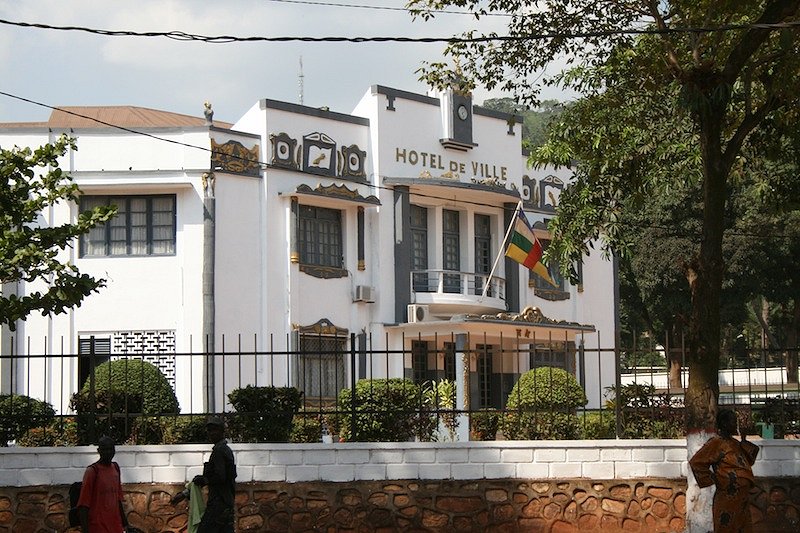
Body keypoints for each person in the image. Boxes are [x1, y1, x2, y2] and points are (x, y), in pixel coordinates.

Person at [689, 409, 759, 532]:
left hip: (742, 498)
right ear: (725, 423)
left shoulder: (735, 443)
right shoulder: (716, 443)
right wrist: (714, 478)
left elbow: (749, 460)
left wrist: (743, 440)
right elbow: (697, 462)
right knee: (726, 527)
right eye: (733, 421)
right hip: (727, 496)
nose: (735, 425)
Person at [172, 416, 237, 533]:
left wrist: (205, 480)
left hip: (218, 503)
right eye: (209, 430)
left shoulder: (219, 451)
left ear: (222, 431)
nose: (211, 433)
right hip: (226, 503)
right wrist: (186, 493)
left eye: (214, 430)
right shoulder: (224, 450)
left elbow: (220, 477)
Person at [76, 435, 131, 533]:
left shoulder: (116, 468)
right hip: (97, 527)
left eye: (111, 449)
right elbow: (83, 505)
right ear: (99, 450)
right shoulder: (92, 471)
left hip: (115, 526)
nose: (108, 452)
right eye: (105, 449)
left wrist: (125, 524)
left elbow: (118, 500)